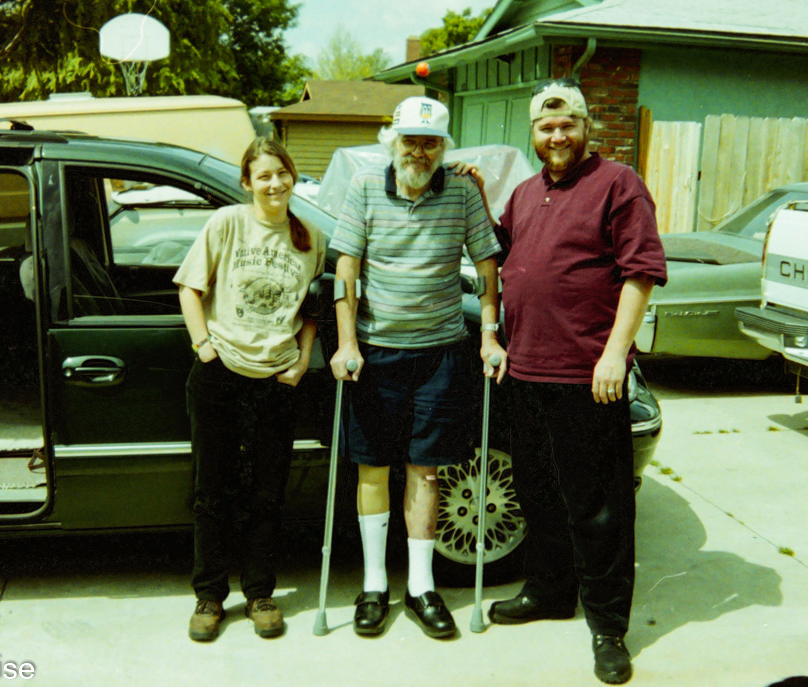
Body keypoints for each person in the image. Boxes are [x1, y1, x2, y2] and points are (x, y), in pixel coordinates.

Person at [488, 78, 667, 684]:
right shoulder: (523, 194)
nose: (557, 135)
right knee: (538, 494)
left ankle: (609, 627)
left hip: (589, 376)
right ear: (533, 133)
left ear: (586, 126)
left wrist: (616, 354)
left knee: (599, 507)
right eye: (546, 126)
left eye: (568, 124)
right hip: (527, 370)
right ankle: (548, 592)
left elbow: (640, 273)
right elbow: (509, 260)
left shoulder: (618, 184)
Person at [329, 96, 507, 639]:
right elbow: (346, 269)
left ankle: (422, 587)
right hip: (375, 352)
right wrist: (344, 343)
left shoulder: (460, 191)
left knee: (426, 470)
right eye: (411, 140)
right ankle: (375, 585)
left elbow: (487, 266)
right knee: (373, 468)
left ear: (443, 146)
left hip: (439, 353)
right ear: (393, 142)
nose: (420, 151)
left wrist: (489, 335)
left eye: (431, 141)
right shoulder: (363, 187)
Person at [174, 137, 325, 642]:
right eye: (263, 176)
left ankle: (260, 592)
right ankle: (210, 596)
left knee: (267, 492)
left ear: (293, 176)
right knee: (211, 491)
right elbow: (190, 288)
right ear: (247, 183)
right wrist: (204, 348)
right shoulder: (227, 224)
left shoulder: (310, 236)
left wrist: (302, 361)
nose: (274, 183)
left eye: (282, 173)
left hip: (277, 380)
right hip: (220, 374)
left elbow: (313, 309)